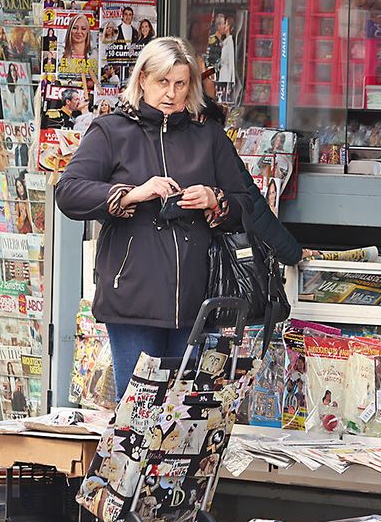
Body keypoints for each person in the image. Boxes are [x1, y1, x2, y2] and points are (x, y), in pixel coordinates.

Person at [55, 36, 255, 401]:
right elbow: (68, 192)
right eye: (163, 82)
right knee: (137, 414)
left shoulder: (207, 135)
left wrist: (215, 199)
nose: (171, 93)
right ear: (143, 78)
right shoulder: (112, 130)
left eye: (181, 83)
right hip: (133, 298)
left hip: (197, 299)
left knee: (189, 416)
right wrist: (131, 193)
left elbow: (246, 204)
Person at [199, 66, 304, 266]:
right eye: (210, 75)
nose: (214, 82)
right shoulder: (209, 135)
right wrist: (293, 254)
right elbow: (252, 209)